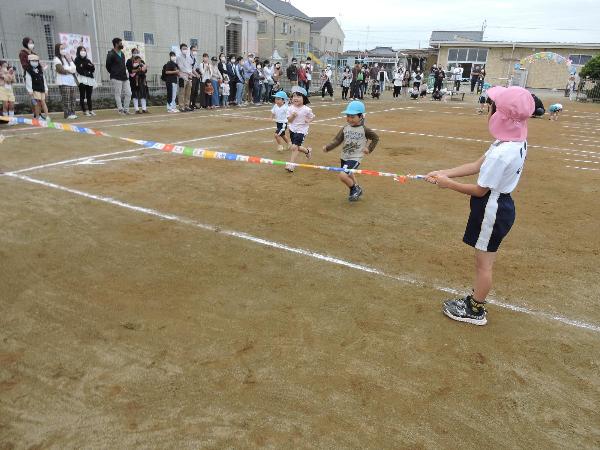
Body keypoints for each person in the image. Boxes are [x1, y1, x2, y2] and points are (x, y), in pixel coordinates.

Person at [425, 86, 534, 326]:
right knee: (485, 262)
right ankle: (475, 302)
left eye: (491, 106)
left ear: (498, 114)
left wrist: (448, 184)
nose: (488, 108)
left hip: (492, 208)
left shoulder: (502, 153)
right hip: (499, 205)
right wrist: (444, 172)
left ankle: (475, 309)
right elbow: (476, 165)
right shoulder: (511, 142)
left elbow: (480, 190)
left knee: (484, 265)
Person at [323, 101, 380, 202]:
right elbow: (337, 140)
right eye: (348, 116)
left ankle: (354, 189)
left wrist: (369, 148)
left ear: (361, 116)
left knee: (343, 175)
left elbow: (375, 138)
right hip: (344, 156)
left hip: (355, 157)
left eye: (353, 117)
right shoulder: (345, 128)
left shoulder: (364, 129)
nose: (349, 119)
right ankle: (357, 188)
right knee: (349, 173)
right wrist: (328, 147)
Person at [285, 86, 314, 173]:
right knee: (297, 147)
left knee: (294, 147)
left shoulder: (307, 109)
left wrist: (308, 120)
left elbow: (312, 117)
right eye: (294, 96)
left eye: (298, 96)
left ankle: (291, 164)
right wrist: (293, 116)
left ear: (304, 98)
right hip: (292, 129)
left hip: (302, 130)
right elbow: (289, 120)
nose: (295, 98)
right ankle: (307, 151)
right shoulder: (290, 108)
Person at [105, 37, 131, 114]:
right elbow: (107, 66)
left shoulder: (122, 54)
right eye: (120, 43)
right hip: (116, 77)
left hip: (124, 77)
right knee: (118, 94)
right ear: (116, 44)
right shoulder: (111, 54)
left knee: (129, 93)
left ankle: (126, 109)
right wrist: (113, 72)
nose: (122, 44)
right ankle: (120, 109)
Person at [53, 43, 78, 119]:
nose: (63, 50)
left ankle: (73, 113)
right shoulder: (56, 59)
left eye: (64, 48)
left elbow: (74, 69)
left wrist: (70, 60)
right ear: (58, 50)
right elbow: (61, 70)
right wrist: (71, 70)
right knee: (66, 98)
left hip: (72, 82)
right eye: (61, 48)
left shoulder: (68, 59)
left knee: (73, 98)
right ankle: (67, 114)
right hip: (63, 82)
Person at [24, 54, 49, 121]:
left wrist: (46, 89)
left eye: (36, 60)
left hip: (42, 88)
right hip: (35, 89)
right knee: (37, 103)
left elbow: (44, 79)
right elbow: (28, 81)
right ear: (29, 61)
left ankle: (47, 116)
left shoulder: (40, 69)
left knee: (43, 102)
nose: (35, 62)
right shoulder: (28, 70)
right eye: (33, 60)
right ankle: (37, 117)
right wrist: (30, 90)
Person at [74, 46, 96, 116]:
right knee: (82, 95)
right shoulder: (77, 60)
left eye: (84, 50)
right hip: (81, 79)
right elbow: (79, 70)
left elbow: (92, 69)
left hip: (89, 79)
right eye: (81, 50)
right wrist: (86, 66)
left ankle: (90, 110)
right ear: (78, 52)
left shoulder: (88, 60)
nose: (83, 52)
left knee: (89, 96)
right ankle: (84, 110)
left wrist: (87, 66)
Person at [176, 44, 193, 112]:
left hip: (189, 77)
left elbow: (190, 66)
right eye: (183, 48)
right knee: (182, 92)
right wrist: (188, 72)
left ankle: (187, 105)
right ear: (180, 49)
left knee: (188, 92)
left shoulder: (189, 57)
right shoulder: (179, 57)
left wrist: (190, 73)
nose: (185, 50)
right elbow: (181, 67)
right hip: (182, 77)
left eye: (186, 48)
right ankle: (181, 106)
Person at [189, 45, 201, 110]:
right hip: (192, 76)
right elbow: (191, 68)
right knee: (192, 91)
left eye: (196, 50)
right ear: (190, 50)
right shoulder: (189, 58)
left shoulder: (195, 58)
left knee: (196, 91)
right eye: (193, 50)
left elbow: (197, 67)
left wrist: (199, 73)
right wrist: (196, 74)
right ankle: (190, 104)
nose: (195, 51)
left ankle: (194, 104)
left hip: (196, 76)